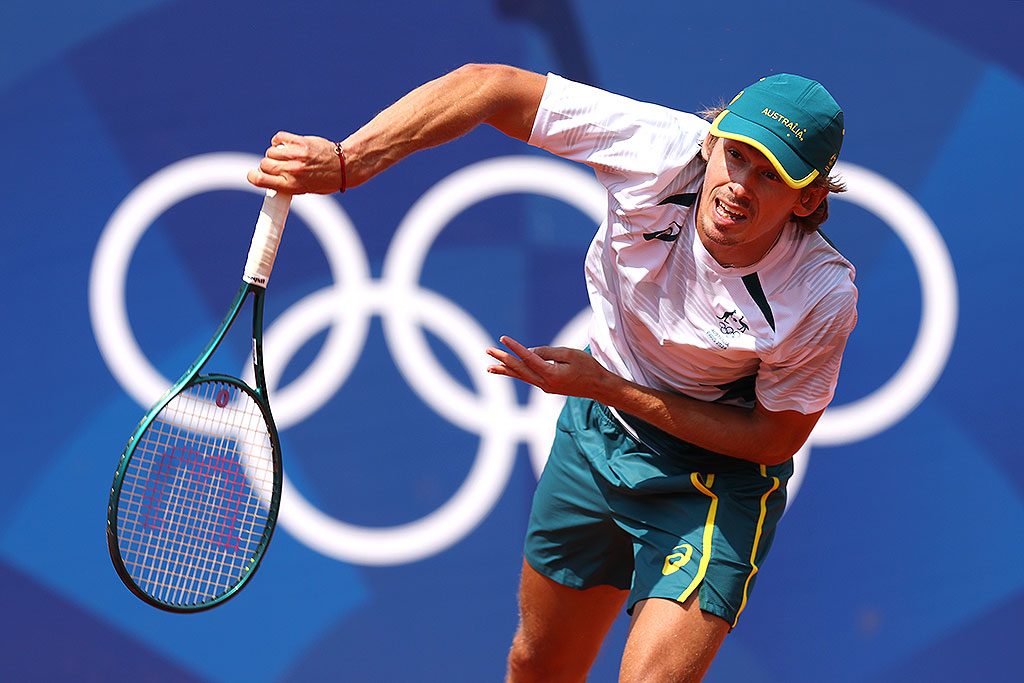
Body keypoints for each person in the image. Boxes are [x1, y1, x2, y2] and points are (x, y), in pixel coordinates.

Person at [248, 63, 857, 683]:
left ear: (807, 199)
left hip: (713, 479)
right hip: (595, 436)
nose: (740, 184)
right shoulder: (657, 150)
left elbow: (772, 439)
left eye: (771, 174)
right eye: (738, 155)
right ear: (712, 141)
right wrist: (350, 161)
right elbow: (491, 87)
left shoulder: (817, 294)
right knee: (539, 666)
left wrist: (607, 386)